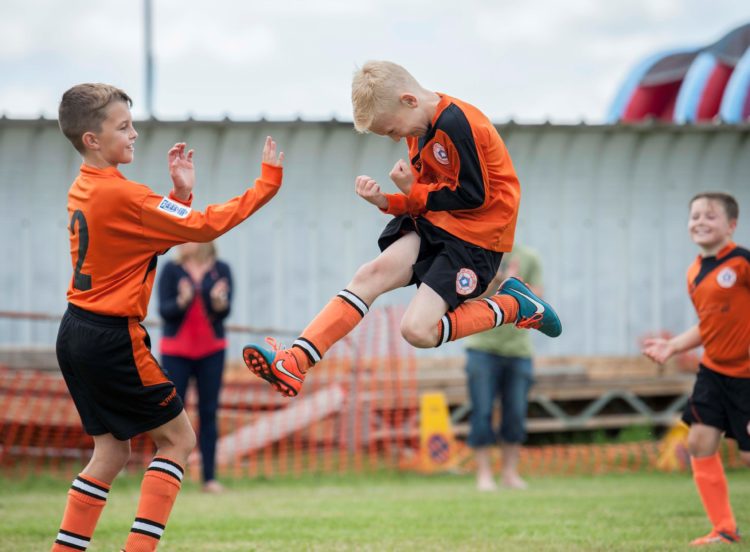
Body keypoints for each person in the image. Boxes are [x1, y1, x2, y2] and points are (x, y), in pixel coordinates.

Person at [52, 83, 283, 552]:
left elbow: (152, 235)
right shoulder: (125, 196)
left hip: (75, 331)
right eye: (123, 127)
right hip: (113, 337)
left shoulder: (86, 187)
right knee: (178, 441)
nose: (134, 134)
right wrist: (268, 184)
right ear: (92, 139)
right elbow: (203, 228)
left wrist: (180, 193)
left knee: (112, 451)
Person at [242, 60, 561, 398]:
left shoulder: (456, 122)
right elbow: (426, 199)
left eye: (393, 130)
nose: (396, 138)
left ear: (409, 100)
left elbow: (473, 195)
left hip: (476, 238)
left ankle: (513, 305)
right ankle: (295, 361)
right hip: (440, 223)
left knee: (417, 331)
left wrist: (413, 190)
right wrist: (387, 201)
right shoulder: (419, 131)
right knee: (371, 274)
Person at [642, 192, 749, 546]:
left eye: (711, 216)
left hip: (746, 375)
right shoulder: (693, 272)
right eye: (695, 216)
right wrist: (673, 346)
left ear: (731, 225)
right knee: (699, 442)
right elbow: (710, 324)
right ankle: (724, 528)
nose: (701, 221)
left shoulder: (742, 264)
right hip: (714, 372)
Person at [464, 244, 543, 491]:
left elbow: (538, 303)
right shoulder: (476, 255)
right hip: (480, 347)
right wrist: (497, 279)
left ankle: (509, 474)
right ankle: (484, 476)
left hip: (519, 351)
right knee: (482, 411)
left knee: (516, 413)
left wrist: (514, 284)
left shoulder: (529, 258)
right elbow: (469, 298)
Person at [158, 242, 232, 494]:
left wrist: (218, 302)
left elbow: (224, 311)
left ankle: (209, 478)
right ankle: (167, 475)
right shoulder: (171, 269)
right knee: (171, 413)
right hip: (176, 351)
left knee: (208, 412)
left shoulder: (221, 269)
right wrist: (182, 301)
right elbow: (164, 311)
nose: (184, 241)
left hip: (211, 350)